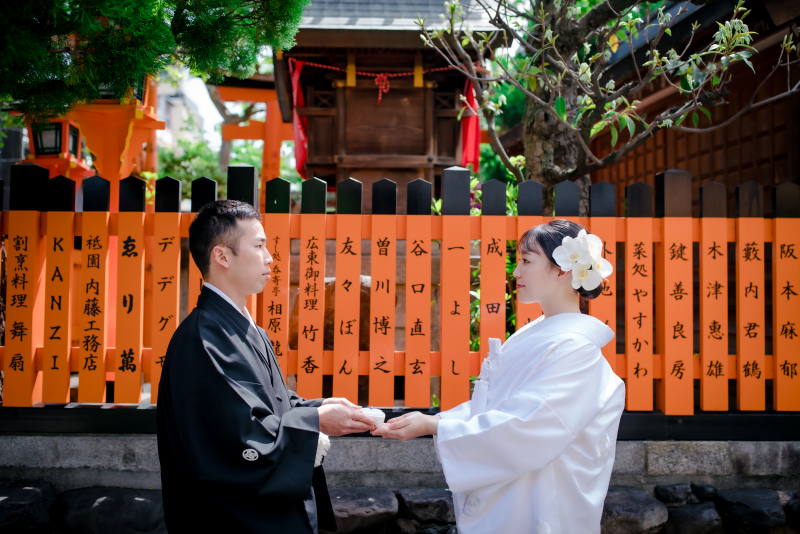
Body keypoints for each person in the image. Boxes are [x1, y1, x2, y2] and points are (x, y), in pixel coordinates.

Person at [373, 219, 625, 534]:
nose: (516, 272)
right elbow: (499, 405)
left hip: (543, 503)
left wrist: (436, 426)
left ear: (562, 271)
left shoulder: (576, 351)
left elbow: (529, 425)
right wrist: (434, 420)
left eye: (526, 261)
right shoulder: (542, 337)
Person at [157, 200, 376, 534]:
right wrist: (316, 420)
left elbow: (271, 403)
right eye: (259, 246)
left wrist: (318, 407)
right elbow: (240, 437)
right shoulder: (202, 339)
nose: (269, 258)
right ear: (222, 256)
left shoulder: (245, 329)